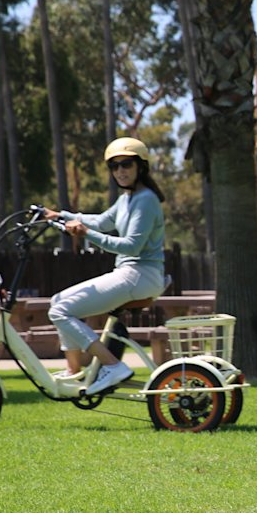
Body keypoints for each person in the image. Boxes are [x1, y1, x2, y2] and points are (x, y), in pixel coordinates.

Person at [42, 137, 166, 395]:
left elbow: (131, 246)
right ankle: (75, 372)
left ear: (141, 166)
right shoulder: (126, 199)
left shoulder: (145, 200)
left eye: (127, 164)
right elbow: (100, 221)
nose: (120, 170)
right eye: (114, 166)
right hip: (131, 274)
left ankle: (112, 365)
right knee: (58, 301)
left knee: (60, 311)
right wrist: (61, 215)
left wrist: (84, 233)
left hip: (139, 274)